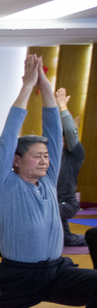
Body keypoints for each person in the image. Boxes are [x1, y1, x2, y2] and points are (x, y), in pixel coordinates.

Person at [0, 54, 97, 308]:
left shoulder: (49, 180)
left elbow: (52, 124)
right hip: (19, 277)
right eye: (36, 157)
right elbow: (8, 136)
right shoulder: (5, 183)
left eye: (47, 156)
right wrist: (26, 87)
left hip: (57, 272)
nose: (45, 161)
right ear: (17, 161)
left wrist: (46, 86)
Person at [55, 87, 87, 247]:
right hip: (54, 200)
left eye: (65, 139)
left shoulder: (75, 154)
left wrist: (62, 107)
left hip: (67, 203)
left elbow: (70, 132)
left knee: (45, 211)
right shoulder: (52, 154)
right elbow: (53, 130)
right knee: (68, 240)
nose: (62, 141)